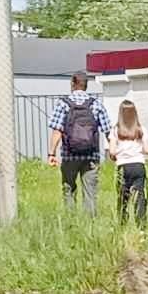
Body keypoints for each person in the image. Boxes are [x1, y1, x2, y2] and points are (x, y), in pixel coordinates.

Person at [49, 72, 109, 216]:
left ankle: (71, 221)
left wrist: (51, 153)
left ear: (73, 84)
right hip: (91, 155)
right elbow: (108, 130)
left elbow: (57, 131)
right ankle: (91, 226)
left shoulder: (63, 104)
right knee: (90, 192)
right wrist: (114, 151)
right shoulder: (96, 104)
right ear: (86, 85)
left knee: (68, 189)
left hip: (69, 155)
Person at [110, 99, 148, 228]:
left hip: (123, 166)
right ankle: (141, 225)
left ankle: (122, 224)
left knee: (123, 197)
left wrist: (117, 156)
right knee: (139, 197)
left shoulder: (115, 130)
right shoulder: (141, 129)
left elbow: (112, 151)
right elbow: (147, 150)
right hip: (138, 165)